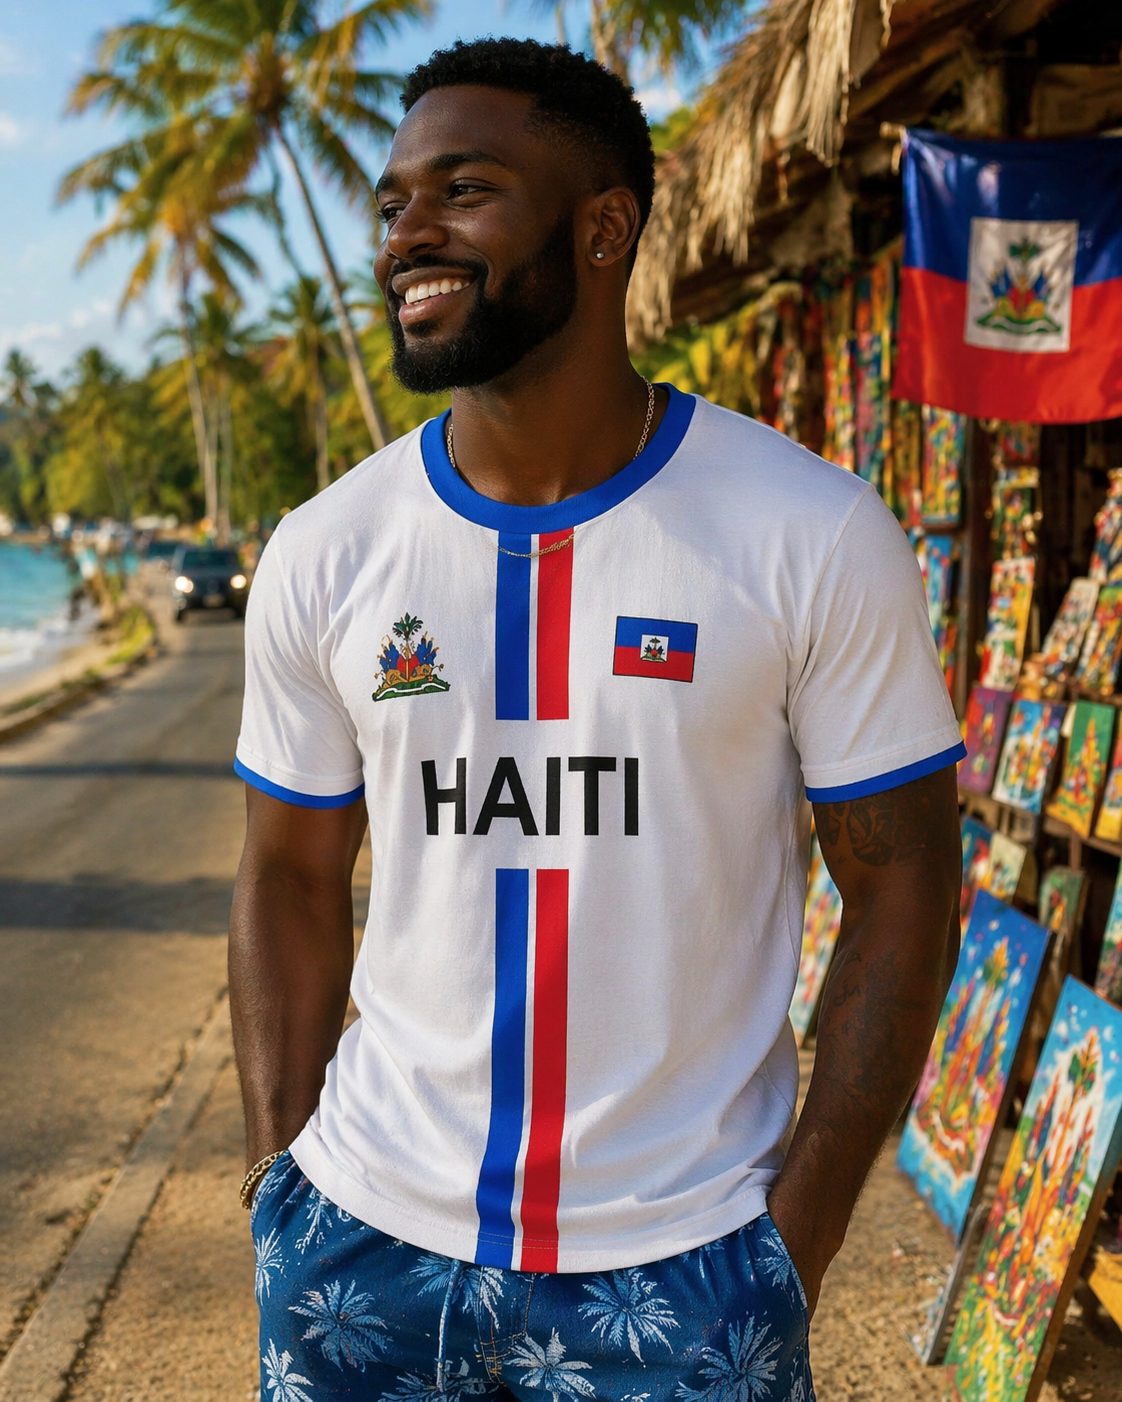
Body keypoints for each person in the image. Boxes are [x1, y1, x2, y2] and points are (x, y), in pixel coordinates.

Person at [230, 38, 963, 1402]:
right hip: (361, 1249)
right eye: (392, 203)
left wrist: (794, 1240)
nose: (407, 235)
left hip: (687, 1270)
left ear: (604, 228)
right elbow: (288, 870)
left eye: (463, 190)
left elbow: (905, 880)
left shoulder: (807, 532)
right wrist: (282, 1185)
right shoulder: (327, 551)